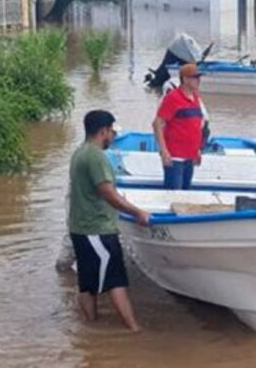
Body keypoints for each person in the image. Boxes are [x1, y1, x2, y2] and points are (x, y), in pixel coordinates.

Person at [68, 110, 150, 332]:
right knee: (115, 280)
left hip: (80, 228)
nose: (113, 138)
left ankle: (91, 328)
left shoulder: (79, 153)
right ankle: (134, 329)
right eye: (112, 133)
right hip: (98, 229)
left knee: (88, 283)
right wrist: (137, 212)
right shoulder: (96, 157)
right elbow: (108, 193)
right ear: (103, 131)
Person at [153, 63, 205, 190]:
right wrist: (164, 151)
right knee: (174, 193)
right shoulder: (173, 98)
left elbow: (196, 125)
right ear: (185, 79)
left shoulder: (196, 98)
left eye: (199, 77)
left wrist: (197, 150)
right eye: (195, 77)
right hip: (175, 156)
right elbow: (157, 123)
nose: (198, 80)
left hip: (190, 156)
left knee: (186, 193)